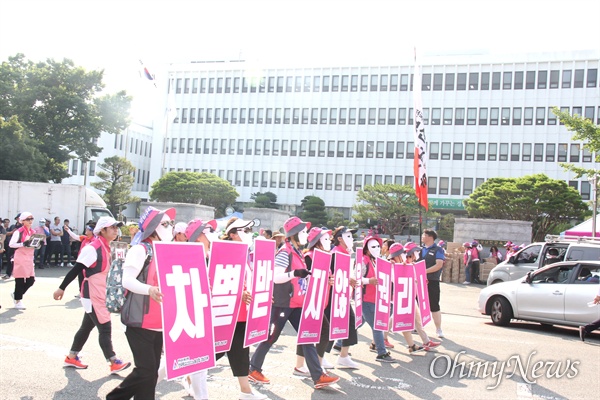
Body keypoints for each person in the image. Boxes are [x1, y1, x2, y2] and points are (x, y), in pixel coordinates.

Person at [249, 216, 339, 390]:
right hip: (283, 303)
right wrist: (295, 273)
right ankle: (253, 369)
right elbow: (276, 276)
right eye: (303, 231)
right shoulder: (285, 252)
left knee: (307, 337)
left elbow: (303, 276)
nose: (305, 234)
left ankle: (317, 376)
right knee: (271, 337)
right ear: (294, 234)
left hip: (296, 303)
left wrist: (323, 280)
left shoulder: (297, 252)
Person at [106, 206, 176, 399]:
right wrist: (149, 289)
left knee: (151, 373)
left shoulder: (165, 250)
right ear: (153, 226)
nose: (170, 227)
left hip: (159, 321)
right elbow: (127, 280)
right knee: (146, 370)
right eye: (166, 223)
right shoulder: (140, 249)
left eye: (171, 223)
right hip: (139, 320)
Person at [53, 216, 131, 374]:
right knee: (105, 327)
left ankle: (71, 357)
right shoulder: (92, 248)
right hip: (92, 294)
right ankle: (113, 361)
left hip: (102, 293)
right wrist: (61, 288)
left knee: (86, 327)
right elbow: (76, 270)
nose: (116, 230)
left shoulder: (111, 247)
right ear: (102, 230)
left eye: (117, 227)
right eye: (113, 227)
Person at [219, 217, 269, 400]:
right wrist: (238, 294)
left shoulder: (246, 254)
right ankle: (160, 375)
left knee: (240, 351)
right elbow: (215, 283)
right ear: (232, 234)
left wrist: (261, 295)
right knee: (207, 353)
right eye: (244, 231)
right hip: (223, 313)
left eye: (249, 231)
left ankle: (245, 391)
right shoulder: (223, 252)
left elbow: (248, 282)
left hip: (240, 313)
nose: (249, 235)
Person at [388, 242, 441, 354]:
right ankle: (380, 339)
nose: (418, 253)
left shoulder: (408, 264)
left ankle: (425, 341)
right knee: (400, 320)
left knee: (415, 320)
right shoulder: (399, 265)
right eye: (416, 251)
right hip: (403, 297)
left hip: (410, 296)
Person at [359, 235, 396, 363]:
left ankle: (340, 343)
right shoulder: (363, 260)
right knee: (377, 326)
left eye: (378, 246)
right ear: (367, 249)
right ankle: (381, 352)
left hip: (376, 299)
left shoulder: (376, 260)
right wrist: (369, 280)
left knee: (357, 323)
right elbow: (355, 278)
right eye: (373, 246)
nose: (377, 249)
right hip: (366, 299)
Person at [327, 226, 360, 367]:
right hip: (332, 297)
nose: (351, 239)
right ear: (339, 238)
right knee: (329, 327)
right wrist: (348, 279)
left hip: (343, 295)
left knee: (351, 324)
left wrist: (350, 279)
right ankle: (320, 357)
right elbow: (331, 276)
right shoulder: (335, 253)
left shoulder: (345, 252)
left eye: (352, 237)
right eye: (348, 236)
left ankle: (344, 356)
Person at [9, 212, 36, 309]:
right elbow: (11, 244)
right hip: (20, 257)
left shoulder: (33, 232)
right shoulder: (18, 232)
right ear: (23, 221)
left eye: (31, 219)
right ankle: (18, 301)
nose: (30, 221)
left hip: (29, 257)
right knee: (20, 280)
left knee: (31, 280)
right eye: (28, 219)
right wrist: (22, 244)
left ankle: (17, 294)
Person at [421, 229, 445, 338]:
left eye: (424, 235)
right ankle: (417, 327)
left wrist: (424, 271)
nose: (422, 236)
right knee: (417, 305)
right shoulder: (421, 250)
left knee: (434, 305)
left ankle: (438, 328)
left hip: (432, 281)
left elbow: (439, 265)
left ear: (430, 237)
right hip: (420, 281)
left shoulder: (438, 250)